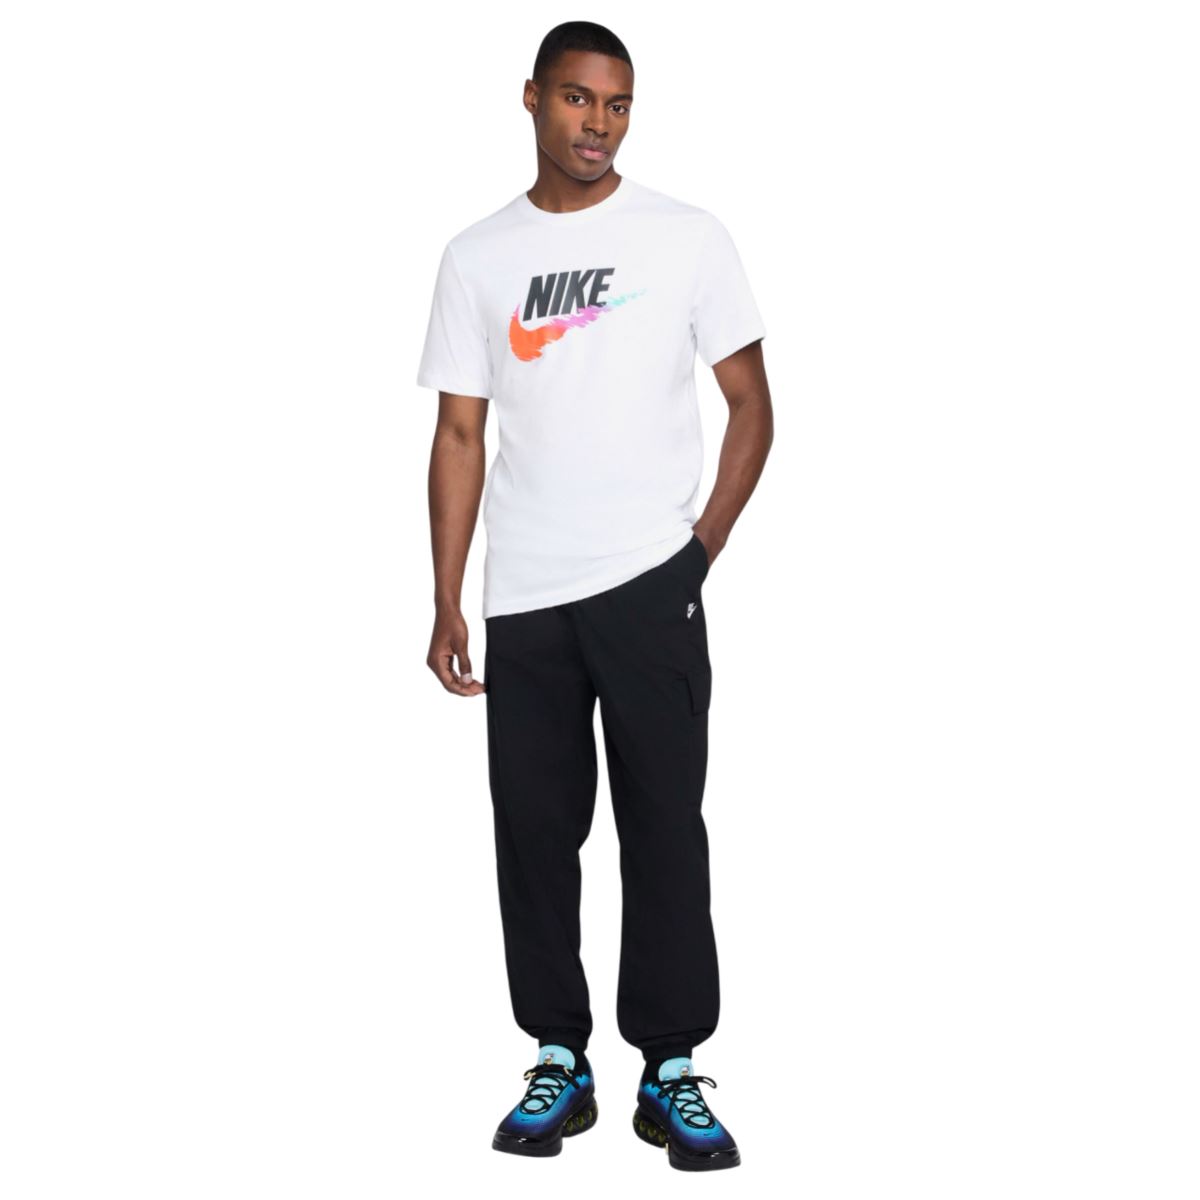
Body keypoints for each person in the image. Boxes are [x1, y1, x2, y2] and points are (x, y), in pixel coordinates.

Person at [416, 21, 773, 1172]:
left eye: (617, 104)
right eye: (578, 99)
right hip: (525, 594)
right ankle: (558, 1058)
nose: (598, 123)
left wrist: (697, 554)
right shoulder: (476, 256)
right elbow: (459, 433)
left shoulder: (687, 237)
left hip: (649, 583)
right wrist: (447, 596)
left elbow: (753, 405)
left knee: (664, 828)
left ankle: (669, 1069)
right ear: (532, 98)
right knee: (534, 832)